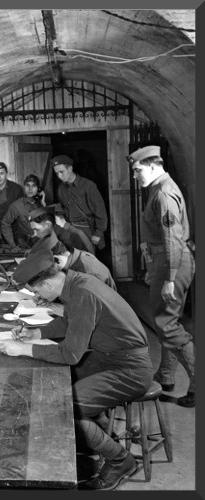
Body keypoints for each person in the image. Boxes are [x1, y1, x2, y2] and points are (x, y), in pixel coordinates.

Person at [0, 250, 153, 490]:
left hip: (130, 369)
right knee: (52, 385)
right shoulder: (77, 282)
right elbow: (70, 321)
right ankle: (90, 435)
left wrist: (22, 349)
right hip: (111, 357)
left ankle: (121, 460)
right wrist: (36, 333)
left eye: (37, 291)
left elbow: (70, 354)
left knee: (64, 407)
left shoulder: (83, 293)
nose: (38, 296)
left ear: (47, 283)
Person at [127, 145, 195, 408]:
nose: (135, 176)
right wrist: (151, 266)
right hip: (164, 263)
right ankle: (165, 376)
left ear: (153, 165)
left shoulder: (164, 193)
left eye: (137, 170)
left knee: (167, 326)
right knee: (167, 321)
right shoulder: (156, 187)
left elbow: (172, 240)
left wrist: (169, 278)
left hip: (172, 264)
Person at [52, 155, 108, 253]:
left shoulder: (88, 186)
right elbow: (64, 208)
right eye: (57, 173)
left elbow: (100, 211)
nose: (59, 176)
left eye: (61, 172)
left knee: (88, 259)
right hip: (68, 229)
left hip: (86, 229)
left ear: (70, 168)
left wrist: (98, 233)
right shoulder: (61, 188)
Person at [29, 231, 116, 290]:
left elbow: (88, 309)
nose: (45, 271)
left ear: (56, 259)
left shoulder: (87, 272)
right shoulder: (73, 258)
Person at [1, 174, 45, 252]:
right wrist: (13, 245)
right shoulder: (16, 206)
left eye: (34, 186)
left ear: (38, 189)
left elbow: (52, 225)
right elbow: (5, 223)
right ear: (24, 187)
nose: (30, 189)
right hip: (25, 247)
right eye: (27, 185)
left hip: (43, 246)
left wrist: (43, 203)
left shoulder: (43, 204)